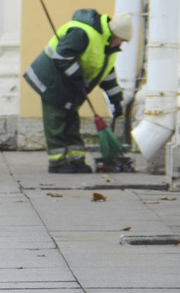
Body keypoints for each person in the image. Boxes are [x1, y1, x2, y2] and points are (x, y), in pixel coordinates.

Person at [23, 9, 132, 173]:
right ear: (114, 33)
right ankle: (57, 163)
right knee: (56, 122)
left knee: (72, 123)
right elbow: (61, 55)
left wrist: (116, 100)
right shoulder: (82, 33)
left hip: (71, 86)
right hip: (52, 81)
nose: (120, 44)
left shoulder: (108, 48)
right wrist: (77, 76)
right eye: (120, 40)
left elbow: (107, 74)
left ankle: (76, 161)